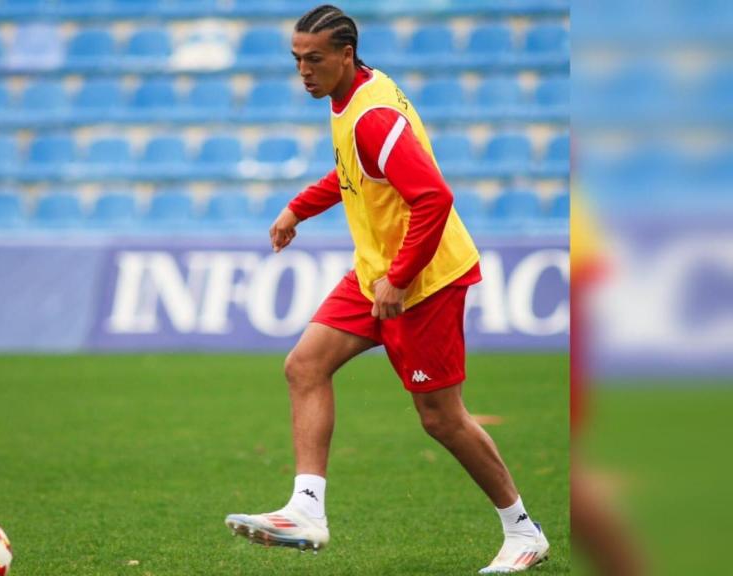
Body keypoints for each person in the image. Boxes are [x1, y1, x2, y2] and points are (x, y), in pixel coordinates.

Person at [224, 5, 550, 573]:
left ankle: (523, 530)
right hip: (377, 272)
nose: (303, 69)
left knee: (441, 418)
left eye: (315, 59)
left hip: (423, 280)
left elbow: (434, 197)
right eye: (297, 59)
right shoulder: (350, 97)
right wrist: (298, 209)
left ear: (346, 55)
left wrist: (398, 279)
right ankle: (307, 509)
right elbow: (353, 170)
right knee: (304, 366)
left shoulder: (373, 116)